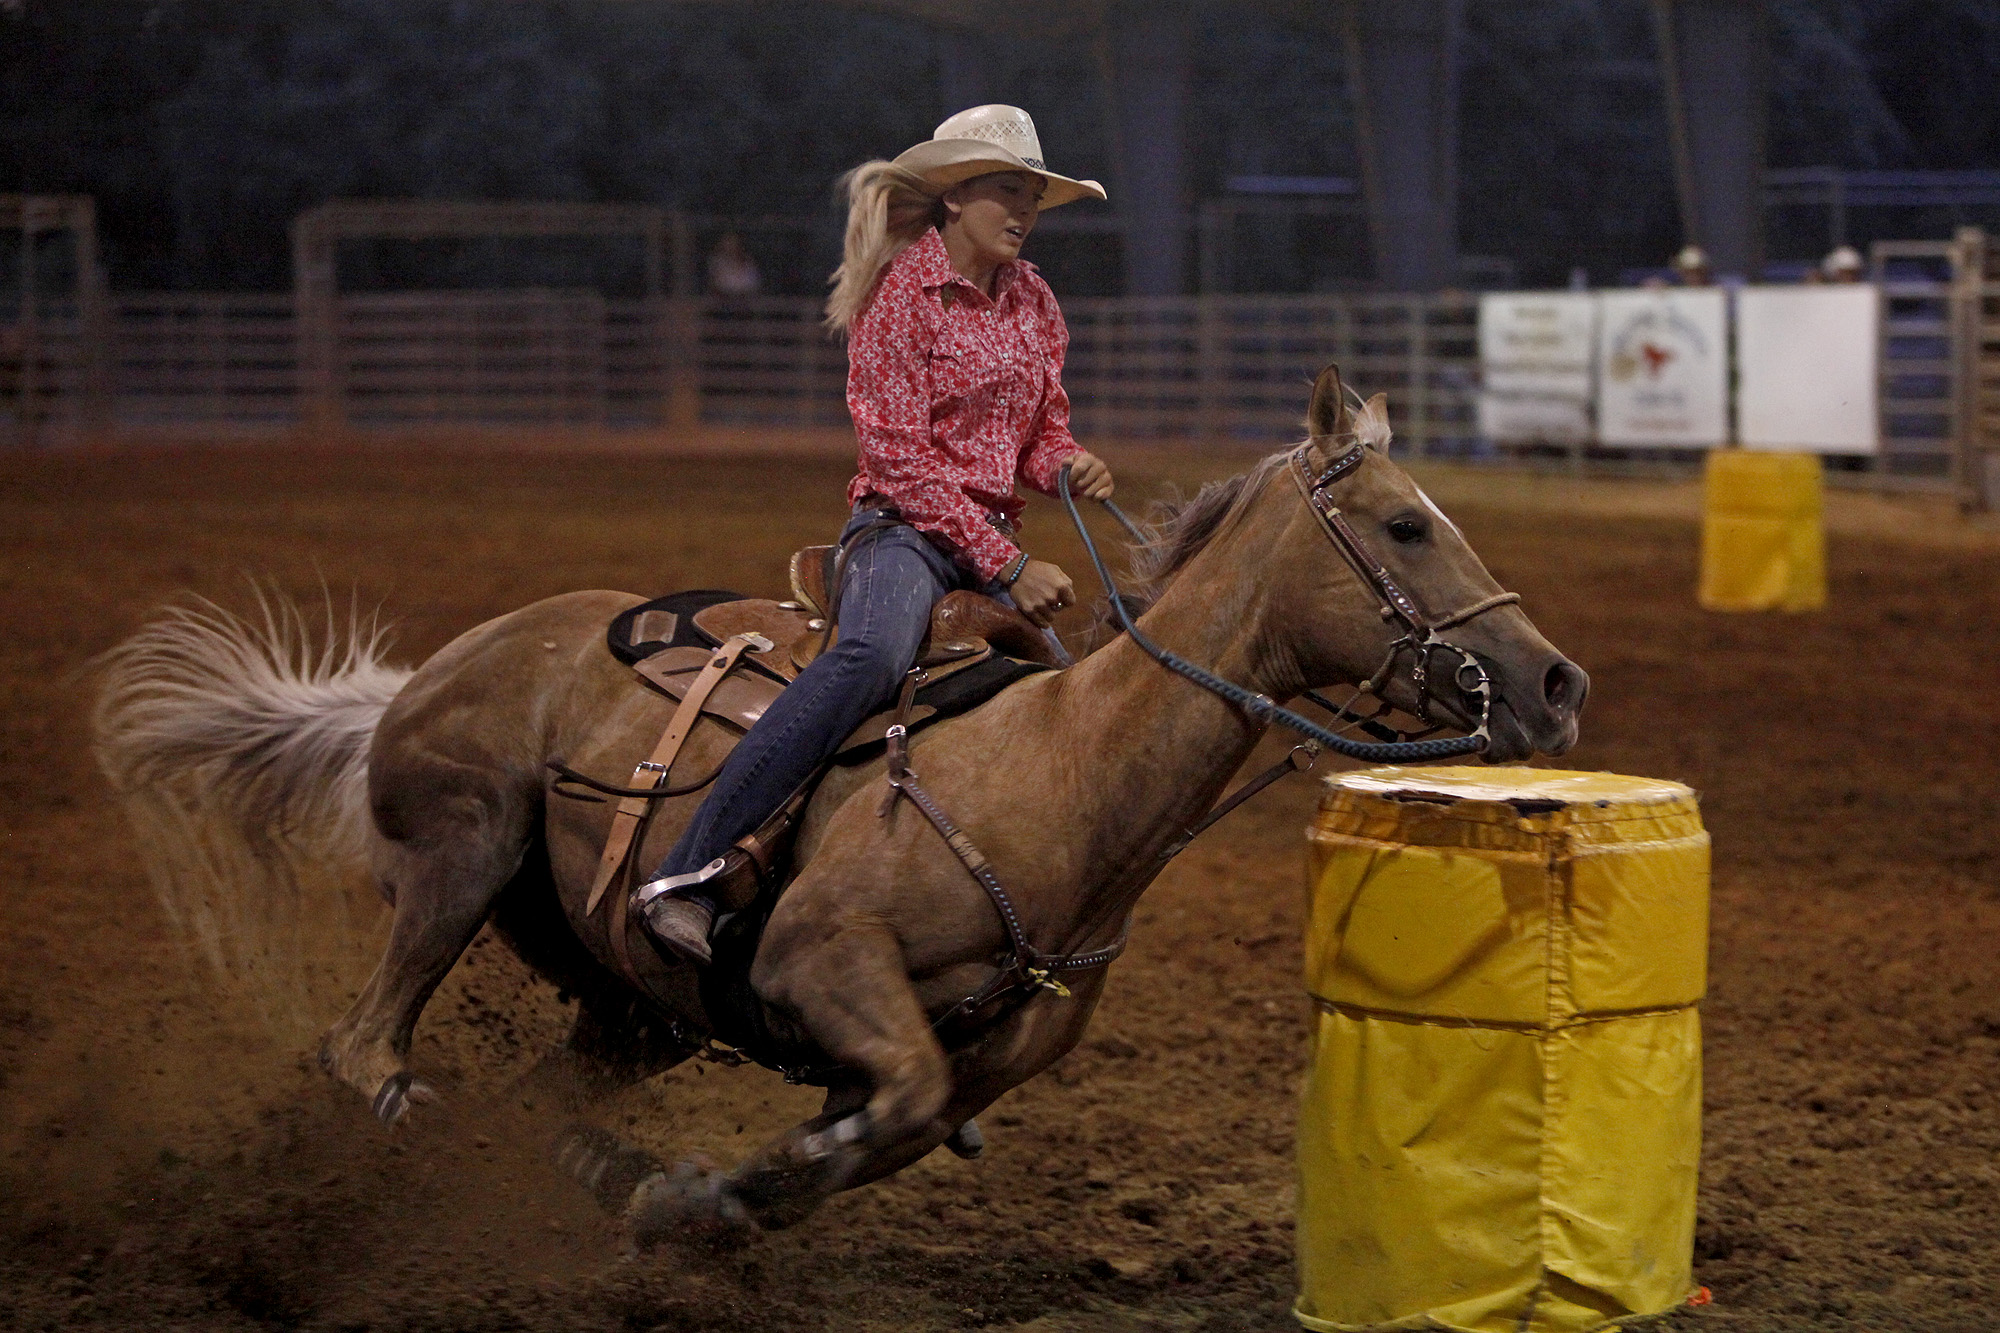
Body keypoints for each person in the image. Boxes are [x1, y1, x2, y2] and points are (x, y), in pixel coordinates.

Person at [635, 104, 1115, 964]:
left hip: (985, 540)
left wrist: (1067, 464)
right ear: (955, 196)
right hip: (903, 534)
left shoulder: (1034, 297)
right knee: (869, 658)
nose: (1023, 213)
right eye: (1008, 192)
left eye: (1033, 199)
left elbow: (1039, 431)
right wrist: (1006, 562)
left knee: (1069, 705)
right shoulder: (899, 296)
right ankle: (691, 871)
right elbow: (899, 462)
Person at [707, 231, 762, 296]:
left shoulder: (748, 263)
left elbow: (753, 284)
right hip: (723, 300)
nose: (730, 247)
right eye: (728, 243)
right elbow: (717, 284)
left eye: (733, 243)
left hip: (746, 300)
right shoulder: (717, 263)